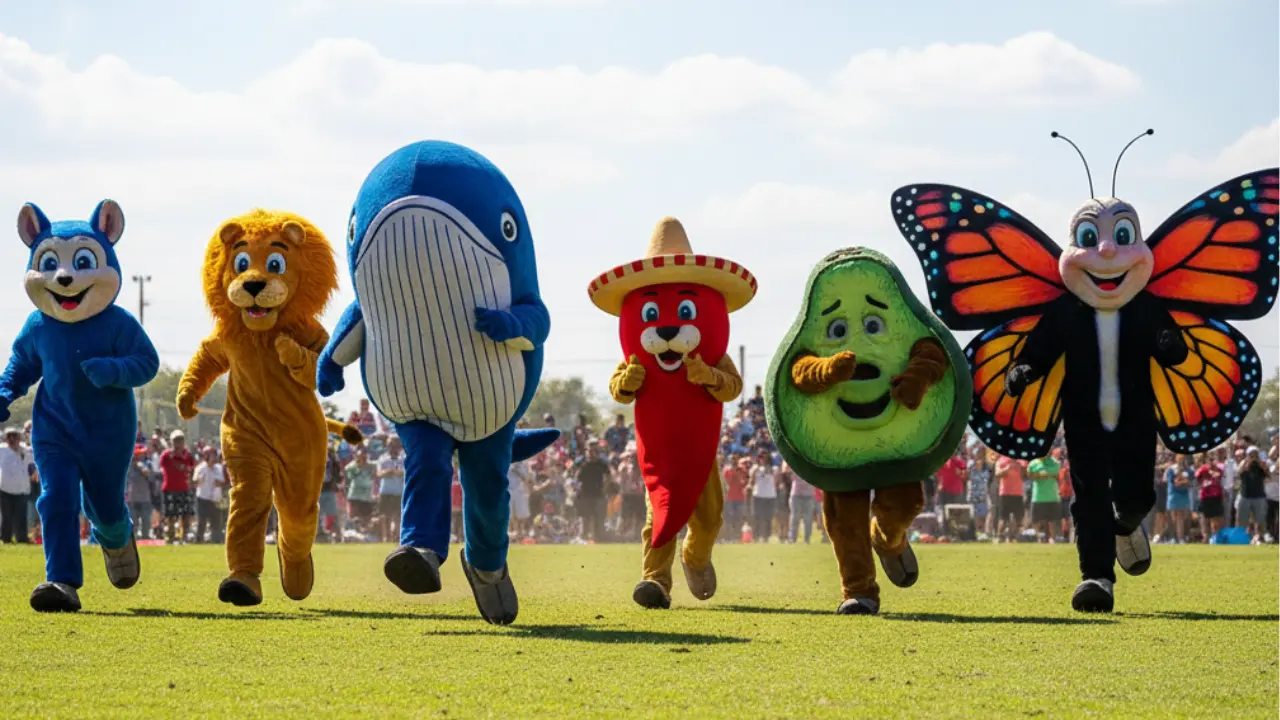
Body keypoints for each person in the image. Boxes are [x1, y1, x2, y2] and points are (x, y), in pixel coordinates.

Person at [160, 431, 196, 544]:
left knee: (186, 514)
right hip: (170, 489)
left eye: (180, 440)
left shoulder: (188, 455)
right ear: (172, 442)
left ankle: (184, 537)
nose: (178, 444)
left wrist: (191, 480)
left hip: (184, 488)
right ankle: (170, 537)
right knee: (170, 515)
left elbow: (193, 466)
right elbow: (162, 466)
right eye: (176, 441)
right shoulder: (166, 455)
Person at [0, 427, 32, 543]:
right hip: (5, 489)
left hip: (22, 489)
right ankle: (6, 538)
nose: (12, 439)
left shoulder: (25, 451)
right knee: (6, 516)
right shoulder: (2, 451)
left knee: (21, 516)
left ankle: (22, 538)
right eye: (10, 436)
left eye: (15, 436)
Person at [575, 444, 610, 542]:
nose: (590, 454)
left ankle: (598, 538)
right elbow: (576, 477)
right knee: (585, 518)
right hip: (584, 494)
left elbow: (608, 476)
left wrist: (605, 488)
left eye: (593, 452)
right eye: (589, 452)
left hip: (598, 494)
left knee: (598, 518)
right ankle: (583, 538)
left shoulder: (602, 463)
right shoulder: (582, 463)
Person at [1235, 446, 1269, 540]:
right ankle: (1241, 538)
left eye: (1255, 454)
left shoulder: (1261, 464)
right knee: (1242, 520)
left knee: (1260, 520)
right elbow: (1238, 473)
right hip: (1245, 495)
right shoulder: (1244, 463)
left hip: (1259, 496)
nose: (1253, 456)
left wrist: (1260, 463)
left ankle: (1258, 538)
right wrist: (1247, 462)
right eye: (1251, 454)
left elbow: (1268, 475)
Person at [376, 436, 406, 543]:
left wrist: (391, 472)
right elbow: (379, 474)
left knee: (398, 515)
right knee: (384, 516)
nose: (392, 447)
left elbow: (405, 472)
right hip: (385, 491)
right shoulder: (382, 458)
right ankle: (385, 537)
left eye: (395, 445)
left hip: (399, 491)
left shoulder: (404, 458)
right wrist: (392, 471)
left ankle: (396, 537)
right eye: (390, 445)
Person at [193, 447, 226, 543]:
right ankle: (199, 541)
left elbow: (222, 482)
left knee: (216, 522)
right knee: (201, 522)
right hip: (202, 498)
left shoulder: (218, 468)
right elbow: (195, 481)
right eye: (211, 456)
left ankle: (215, 541)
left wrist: (218, 482)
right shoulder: (200, 468)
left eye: (214, 456)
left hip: (215, 499)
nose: (213, 458)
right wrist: (199, 479)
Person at [1027, 452, 1062, 543]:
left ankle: (1052, 539)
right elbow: (1029, 474)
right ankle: (1039, 538)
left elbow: (1055, 470)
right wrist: (1041, 475)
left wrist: (1039, 474)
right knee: (1036, 520)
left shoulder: (1054, 462)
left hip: (1052, 496)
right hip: (1037, 497)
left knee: (1053, 520)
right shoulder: (1033, 463)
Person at [344, 446, 377, 537]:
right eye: (361, 455)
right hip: (355, 495)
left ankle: (365, 535)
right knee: (355, 517)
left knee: (366, 517)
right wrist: (358, 464)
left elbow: (377, 467)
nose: (363, 457)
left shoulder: (371, 465)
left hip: (366, 496)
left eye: (364, 455)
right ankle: (354, 534)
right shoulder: (352, 466)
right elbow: (349, 473)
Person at [994, 454, 1026, 543]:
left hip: (1018, 493)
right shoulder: (1001, 460)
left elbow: (1025, 476)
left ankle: (1013, 536)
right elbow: (997, 474)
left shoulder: (1021, 462)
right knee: (1003, 518)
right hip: (1005, 493)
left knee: (1018, 518)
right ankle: (1000, 536)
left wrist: (1020, 468)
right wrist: (1007, 468)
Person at [1194, 453, 1225, 541]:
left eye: (1212, 459)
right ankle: (1205, 536)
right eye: (1209, 460)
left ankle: (1216, 536)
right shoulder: (1203, 468)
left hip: (1216, 495)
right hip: (1205, 496)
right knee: (1204, 517)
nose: (1211, 461)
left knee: (1216, 517)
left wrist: (1212, 471)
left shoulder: (1219, 469)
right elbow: (1196, 476)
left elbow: (1218, 475)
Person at [125, 446, 153, 540]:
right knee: (133, 522)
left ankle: (146, 538)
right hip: (132, 498)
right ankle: (133, 539)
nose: (141, 455)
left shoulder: (147, 464)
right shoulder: (128, 466)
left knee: (146, 522)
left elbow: (148, 474)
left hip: (145, 498)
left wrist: (140, 466)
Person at [318, 444, 344, 543]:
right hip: (318, 490)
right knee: (318, 515)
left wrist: (336, 482)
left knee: (332, 514)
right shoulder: (314, 457)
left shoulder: (333, 459)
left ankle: (337, 535)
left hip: (329, 489)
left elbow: (338, 473)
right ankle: (320, 535)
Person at [616, 452, 646, 541]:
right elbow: (621, 481)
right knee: (625, 517)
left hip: (639, 496)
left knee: (639, 517)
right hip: (628, 495)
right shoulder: (625, 468)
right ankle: (621, 535)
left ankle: (637, 535)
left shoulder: (642, 467)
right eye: (631, 458)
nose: (632, 460)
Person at [749, 451, 777, 543]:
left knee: (768, 517)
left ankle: (766, 537)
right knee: (757, 517)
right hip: (758, 495)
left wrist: (769, 470)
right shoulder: (755, 468)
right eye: (761, 457)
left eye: (765, 458)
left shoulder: (774, 468)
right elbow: (751, 482)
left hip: (770, 496)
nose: (763, 459)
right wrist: (754, 470)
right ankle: (756, 537)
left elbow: (777, 480)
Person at [1165, 455, 1193, 544]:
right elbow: (1173, 482)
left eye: (1184, 459)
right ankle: (1173, 537)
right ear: (1177, 459)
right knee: (1173, 517)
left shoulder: (1188, 470)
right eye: (1181, 458)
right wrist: (1183, 481)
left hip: (1184, 494)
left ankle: (1180, 538)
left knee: (1182, 516)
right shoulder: (1171, 469)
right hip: (1174, 494)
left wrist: (1183, 481)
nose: (1183, 460)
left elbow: (1190, 481)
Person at [966, 446, 992, 538]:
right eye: (978, 453)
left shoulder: (987, 467)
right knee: (976, 515)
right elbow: (967, 477)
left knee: (985, 514)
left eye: (982, 453)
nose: (980, 455)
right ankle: (978, 533)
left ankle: (985, 533)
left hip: (984, 494)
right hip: (973, 494)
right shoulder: (971, 466)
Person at [722, 457, 749, 541]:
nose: (734, 462)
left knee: (739, 517)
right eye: (732, 460)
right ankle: (730, 536)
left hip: (740, 497)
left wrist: (744, 483)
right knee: (730, 518)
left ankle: (737, 536)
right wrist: (733, 473)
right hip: (730, 498)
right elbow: (727, 483)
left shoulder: (742, 470)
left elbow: (747, 478)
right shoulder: (727, 470)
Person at [788, 465, 817, 544]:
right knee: (795, 517)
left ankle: (807, 539)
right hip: (796, 495)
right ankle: (792, 539)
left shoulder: (813, 468)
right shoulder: (795, 466)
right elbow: (789, 474)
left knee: (808, 519)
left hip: (809, 495)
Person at [508, 459, 532, 537]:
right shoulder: (506, 462)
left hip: (519, 491)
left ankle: (521, 531)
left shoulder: (523, 464)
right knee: (511, 513)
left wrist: (516, 471)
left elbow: (526, 479)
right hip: (508, 490)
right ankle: (515, 531)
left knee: (521, 513)